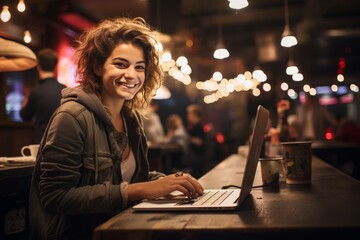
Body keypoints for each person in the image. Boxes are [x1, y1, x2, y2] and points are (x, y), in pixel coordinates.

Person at [28, 17, 203, 240]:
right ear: (97, 66)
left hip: (121, 227)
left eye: (139, 67)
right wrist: (142, 190)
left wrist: (171, 182)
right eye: (120, 64)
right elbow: (55, 197)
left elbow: (123, 178)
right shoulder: (72, 116)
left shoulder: (132, 120)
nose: (132, 75)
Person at [20, 48, 66, 143]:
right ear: (55, 66)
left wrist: (26, 96)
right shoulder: (65, 90)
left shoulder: (36, 91)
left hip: (41, 142)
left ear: (38, 66)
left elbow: (24, 115)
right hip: (62, 141)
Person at [186, 104, 207, 177]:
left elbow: (199, 142)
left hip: (198, 158)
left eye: (189, 114)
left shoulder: (198, 127)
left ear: (194, 115)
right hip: (198, 158)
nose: (188, 116)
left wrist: (187, 139)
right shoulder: (196, 126)